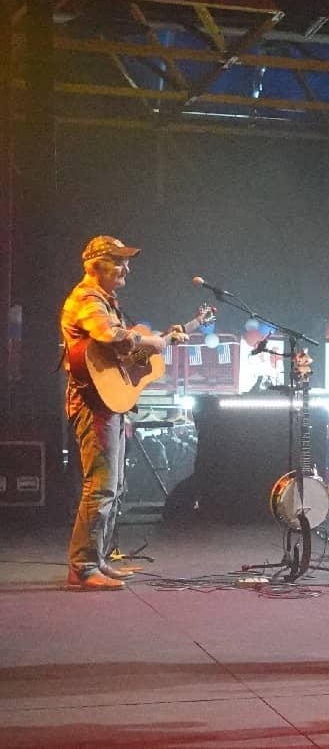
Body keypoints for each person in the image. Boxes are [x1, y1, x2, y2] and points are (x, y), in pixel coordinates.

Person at [60, 235, 189, 591]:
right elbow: (110, 335)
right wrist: (154, 342)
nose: (126, 268)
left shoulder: (104, 300)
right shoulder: (87, 299)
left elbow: (120, 353)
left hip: (105, 402)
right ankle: (83, 567)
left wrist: (161, 341)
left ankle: (96, 560)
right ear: (95, 266)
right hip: (92, 404)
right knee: (100, 487)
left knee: (111, 488)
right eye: (118, 261)